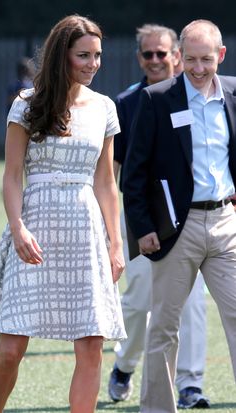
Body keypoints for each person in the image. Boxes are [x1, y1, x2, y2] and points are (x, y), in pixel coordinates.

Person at [0, 14, 126, 413]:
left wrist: (116, 243)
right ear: (61, 56)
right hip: (34, 228)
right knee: (12, 348)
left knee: (91, 348)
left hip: (86, 231)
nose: (93, 64)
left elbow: (106, 182)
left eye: (98, 55)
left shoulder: (104, 107)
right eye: (83, 55)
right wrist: (17, 228)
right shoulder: (26, 104)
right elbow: (12, 176)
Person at [123, 19, 236, 413]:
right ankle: (157, 408)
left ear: (220, 55)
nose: (199, 68)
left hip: (225, 222)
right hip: (176, 229)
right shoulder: (157, 99)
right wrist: (143, 228)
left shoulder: (234, 92)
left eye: (207, 59)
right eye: (191, 59)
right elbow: (133, 173)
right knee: (164, 327)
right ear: (180, 57)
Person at [109, 24, 210, 409]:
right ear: (139, 58)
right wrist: (112, 224)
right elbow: (114, 168)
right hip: (143, 216)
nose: (155, 60)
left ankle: (189, 384)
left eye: (162, 53)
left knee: (192, 304)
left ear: (176, 56)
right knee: (137, 304)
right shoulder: (128, 102)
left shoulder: (199, 96)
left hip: (192, 218)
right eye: (147, 54)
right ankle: (124, 364)